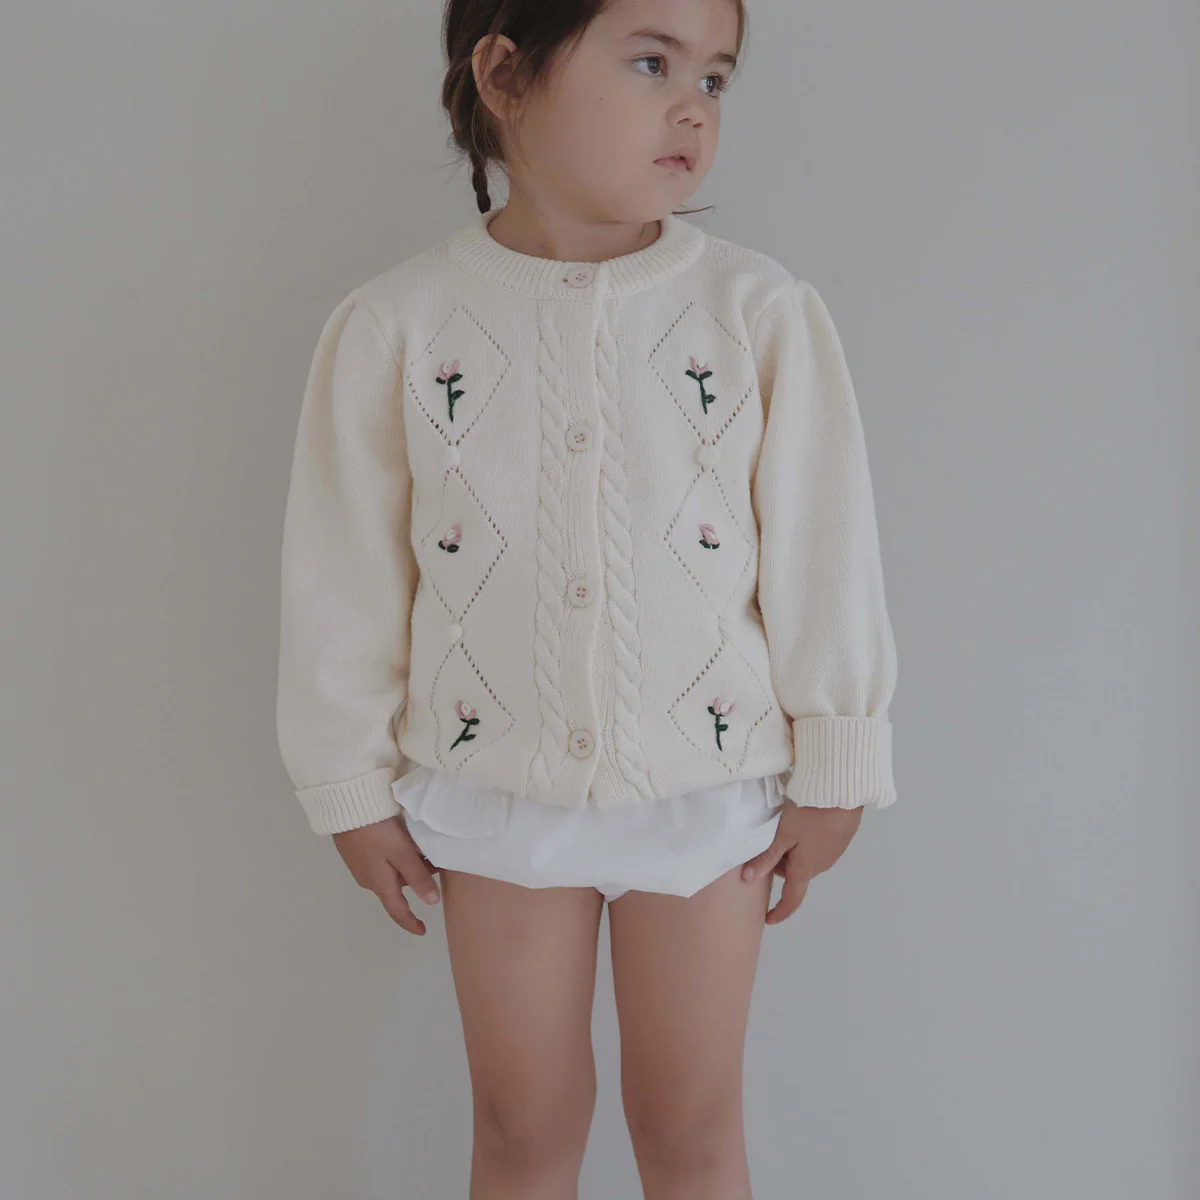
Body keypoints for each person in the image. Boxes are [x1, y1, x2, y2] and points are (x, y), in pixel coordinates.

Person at [275, 0, 899, 1194]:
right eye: (652, 62)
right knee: (522, 1122)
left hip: (707, 791)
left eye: (715, 78)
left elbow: (826, 549)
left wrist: (839, 756)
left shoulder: (758, 313)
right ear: (506, 75)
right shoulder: (397, 325)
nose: (693, 109)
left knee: (690, 1123)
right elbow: (343, 571)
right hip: (495, 790)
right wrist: (344, 780)